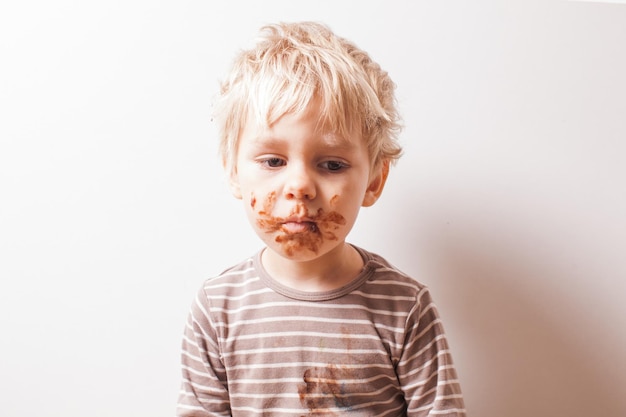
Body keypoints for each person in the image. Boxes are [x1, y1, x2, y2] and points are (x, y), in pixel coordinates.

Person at [177, 21, 466, 416]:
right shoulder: (218, 309)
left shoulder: (404, 307)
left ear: (374, 181)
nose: (300, 186)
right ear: (233, 173)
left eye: (331, 164)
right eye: (273, 161)